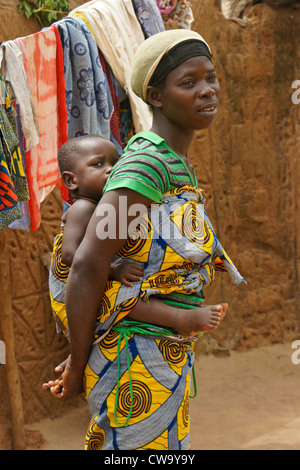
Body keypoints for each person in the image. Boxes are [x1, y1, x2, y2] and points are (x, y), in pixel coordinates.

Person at [46, 29, 244, 450]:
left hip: (160, 353)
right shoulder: (145, 168)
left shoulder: (171, 164)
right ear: (155, 96)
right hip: (133, 357)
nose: (207, 90)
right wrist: (78, 362)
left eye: (210, 77)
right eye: (188, 83)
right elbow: (88, 263)